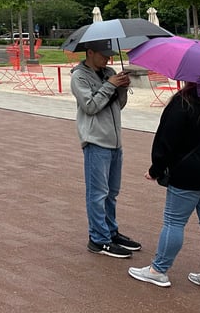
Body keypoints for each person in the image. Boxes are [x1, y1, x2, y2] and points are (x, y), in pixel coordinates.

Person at [127, 82, 200, 293]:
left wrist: (156, 169)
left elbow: (166, 139)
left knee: (174, 221)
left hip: (188, 173)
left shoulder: (183, 102)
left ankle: (158, 270)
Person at [70, 38, 142, 258]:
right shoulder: (79, 76)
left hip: (115, 140)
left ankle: (111, 232)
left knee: (112, 192)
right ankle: (98, 239)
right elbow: (90, 107)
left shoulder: (107, 71)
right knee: (98, 193)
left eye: (109, 55)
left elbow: (118, 105)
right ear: (90, 52)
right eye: (103, 55)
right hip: (96, 141)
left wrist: (121, 88)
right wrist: (110, 84)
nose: (108, 59)